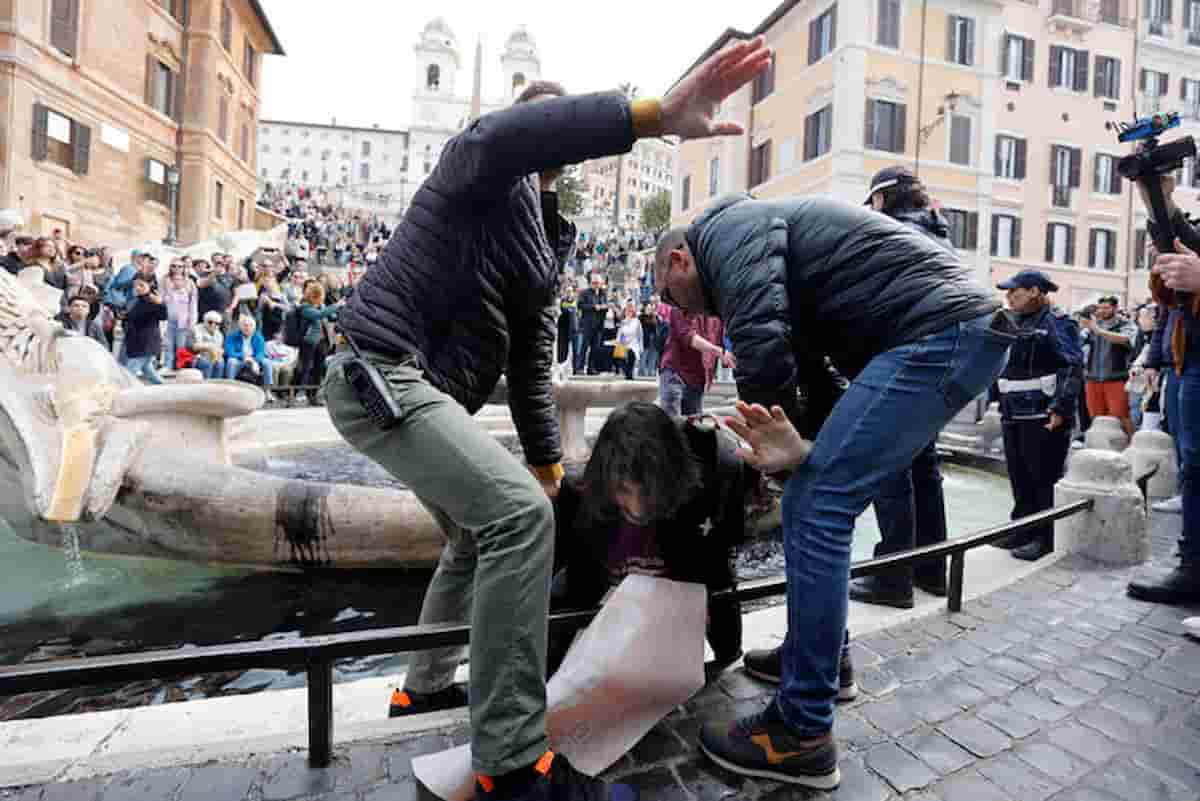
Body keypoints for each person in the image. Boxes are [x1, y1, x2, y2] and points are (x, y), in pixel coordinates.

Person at [324, 38, 771, 801]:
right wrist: (654, 114)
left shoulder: (542, 236)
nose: (551, 145)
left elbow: (532, 365)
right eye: (548, 127)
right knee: (516, 521)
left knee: (484, 530)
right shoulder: (478, 166)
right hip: (381, 370)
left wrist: (553, 471)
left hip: (418, 393)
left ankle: (421, 687)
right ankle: (513, 763)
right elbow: (506, 134)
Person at [655, 193, 1010, 789]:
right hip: (951, 332)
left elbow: (764, 346)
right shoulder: (764, 247)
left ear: (677, 264)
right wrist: (795, 456)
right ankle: (820, 658)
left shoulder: (724, 232)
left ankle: (802, 731)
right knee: (813, 494)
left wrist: (780, 447)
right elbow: (814, 373)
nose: (683, 315)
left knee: (818, 504)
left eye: (670, 300)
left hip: (937, 332)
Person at [851, 166, 957, 607]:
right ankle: (933, 569)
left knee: (888, 460)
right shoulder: (940, 233)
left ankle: (892, 576)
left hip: (906, 353)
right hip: (945, 357)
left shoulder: (887, 233)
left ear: (881, 199)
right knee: (923, 463)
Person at [1127, 174, 1200, 605]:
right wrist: (1160, 203)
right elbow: (1184, 243)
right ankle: (1193, 567)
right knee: (1195, 467)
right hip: (1191, 355)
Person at [989, 270, 1083, 561]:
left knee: (1043, 477)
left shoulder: (1057, 322)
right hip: (1012, 410)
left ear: (1034, 291)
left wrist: (1060, 408)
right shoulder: (1014, 320)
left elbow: (1071, 366)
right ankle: (1022, 529)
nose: (1008, 296)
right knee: (1019, 475)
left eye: (1014, 291)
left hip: (1042, 413)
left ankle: (1044, 537)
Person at [659, 305, 734, 417]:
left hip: (697, 379)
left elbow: (721, 340)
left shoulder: (716, 312)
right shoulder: (681, 302)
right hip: (675, 372)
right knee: (670, 423)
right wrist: (718, 351)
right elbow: (687, 336)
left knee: (692, 427)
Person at [1081, 296, 1137, 439]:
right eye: (1100, 308)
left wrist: (1098, 331)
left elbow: (1125, 339)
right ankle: (1101, 448)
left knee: (1120, 417)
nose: (1102, 311)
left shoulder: (1126, 324)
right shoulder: (1093, 326)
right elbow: (1080, 344)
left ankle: (1130, 446)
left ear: (1115, 308)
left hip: (1116, 379)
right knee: (1096, 417)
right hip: (1093, 379)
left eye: (1106, 308)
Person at [296, 279, 337, 404]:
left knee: (319, 368)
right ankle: (301, 392)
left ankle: (314, 395)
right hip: (309, 342)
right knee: (306, 367)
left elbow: (331, 317)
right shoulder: (304, 307)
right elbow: (319, 315)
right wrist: (336, 305)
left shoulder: (321, 306)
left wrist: (337, 310)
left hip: (322, 341)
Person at [122, 278, 167, 385]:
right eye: (136, 285)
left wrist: (161, 304)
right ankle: (164, 387)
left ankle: (123, 391)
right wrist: (124, 317)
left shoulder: (152, 300)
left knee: (129, 372)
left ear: (149, 286)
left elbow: (163, 316)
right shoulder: (137, 300)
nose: (137, 288)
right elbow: (134, 318)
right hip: (137, 342)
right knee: (147, 369)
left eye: (141, 285)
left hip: (146, 343)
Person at [162, 261, 198, 371]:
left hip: (183, 321)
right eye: (174, 266)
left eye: (179, 266)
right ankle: (167, 366)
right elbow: (162, 301)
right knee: (168, 345)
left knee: (181, 346)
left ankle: (180, 367)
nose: (177, 268)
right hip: (168, 320)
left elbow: (193, 305)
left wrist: (192, 321)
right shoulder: (165, 284)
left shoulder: (189, 285)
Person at [223, 314, 273, 387]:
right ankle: (230, 386)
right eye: (245, 325)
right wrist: (243, 357)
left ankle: (268, 390)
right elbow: (229, 352)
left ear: (254, 328)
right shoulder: (232, 336)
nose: (247, 328)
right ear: (240, 326)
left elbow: (261, 352)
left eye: (250, 325)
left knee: (267, 362)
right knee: (231, 361)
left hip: (254, 359)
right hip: (239, 359)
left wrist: (254, 361)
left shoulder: (259, 337)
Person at [576, 273, 608, 374]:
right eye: (594, 283)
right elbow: (580, 305)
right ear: (591, 283)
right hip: (588, 324)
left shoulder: (603, 293)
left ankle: (591, 368)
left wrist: (604, 307)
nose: (596, 285)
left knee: (595, 348)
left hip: (599, 325)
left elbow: (606, 305)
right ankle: (579, 368)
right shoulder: (585, 293)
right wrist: (594, 307)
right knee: (584, 347)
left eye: (598, 283)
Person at [190, 312, 226, 379]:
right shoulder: (197, 329)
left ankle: (216, 384)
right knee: (206, 363)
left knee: (220, 363)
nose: (213, 325)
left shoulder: (219, 335)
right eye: (210, 322)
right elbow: (194, 347)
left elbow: (219, 349)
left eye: (217, 323)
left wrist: (219, 352)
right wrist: (209, 347)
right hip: (197, 356)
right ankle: (206, 384)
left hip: (211, 356)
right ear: (205, 321)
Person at [613, 302, 643, 380]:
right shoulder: (623, 321)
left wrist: (640, 347)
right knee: (620, 358)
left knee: (631, 356)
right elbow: (620, 332)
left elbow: (637, 334)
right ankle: (627, 373)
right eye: (627, 311)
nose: (628, 313)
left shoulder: (636, 322)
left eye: (630, 311)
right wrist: (617, 341)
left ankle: (629, 374)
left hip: (633, 344)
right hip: (623, 343)